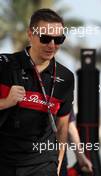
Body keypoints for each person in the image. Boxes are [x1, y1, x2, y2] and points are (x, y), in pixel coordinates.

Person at [0, 8, 74, 176]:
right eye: (45, 38)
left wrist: (58, 163)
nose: (52, 45)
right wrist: (6, 102)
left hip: (42, 165)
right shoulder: (4, 64)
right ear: (30, 34)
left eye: (58, 39)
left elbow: (63, 126)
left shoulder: (66, 77)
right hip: (4, 161)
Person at [60, 110, 93, 176]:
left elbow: (69, 127)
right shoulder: (63, 99)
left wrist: (81, 157)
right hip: (55, 159)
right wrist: (81, 158)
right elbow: (69, 127)